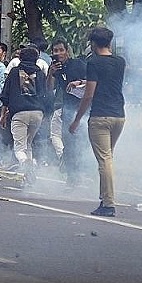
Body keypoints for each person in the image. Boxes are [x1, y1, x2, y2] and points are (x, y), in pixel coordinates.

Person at [69, 27, 125, 217]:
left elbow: (89, 95)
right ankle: (104, 199)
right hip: (119, 115)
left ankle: (108, 204)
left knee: (104, 160)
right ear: (109, 43)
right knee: (108, 157)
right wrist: (83, 82)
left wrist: (77, 119)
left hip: (100, 116)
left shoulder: (93, 62)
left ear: (93, 44)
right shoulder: (120, 62)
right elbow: (106, 81)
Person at [0, 47, 48, 184]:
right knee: (28, 143)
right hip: (38, 112)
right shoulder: (40, 73)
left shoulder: (14, 72)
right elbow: (45, 93)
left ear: (20, 58)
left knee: (19, 148)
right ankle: (29, 179)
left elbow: (6, 95)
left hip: (19, 113)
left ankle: (27, 164)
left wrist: (3, 114)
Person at [46, 38, 87, 183]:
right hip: (67, 110)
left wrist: (79, 83)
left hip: (83, 109)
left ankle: (84, 173)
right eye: (55, 51)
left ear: (67, 51)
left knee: (82, 143)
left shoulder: (78, 64)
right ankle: (72, 176)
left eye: (61, 50)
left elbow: (91, 82)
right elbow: (49, 89)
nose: (58, 54)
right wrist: (51, 73)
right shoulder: (56, 69)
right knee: (68, 143)